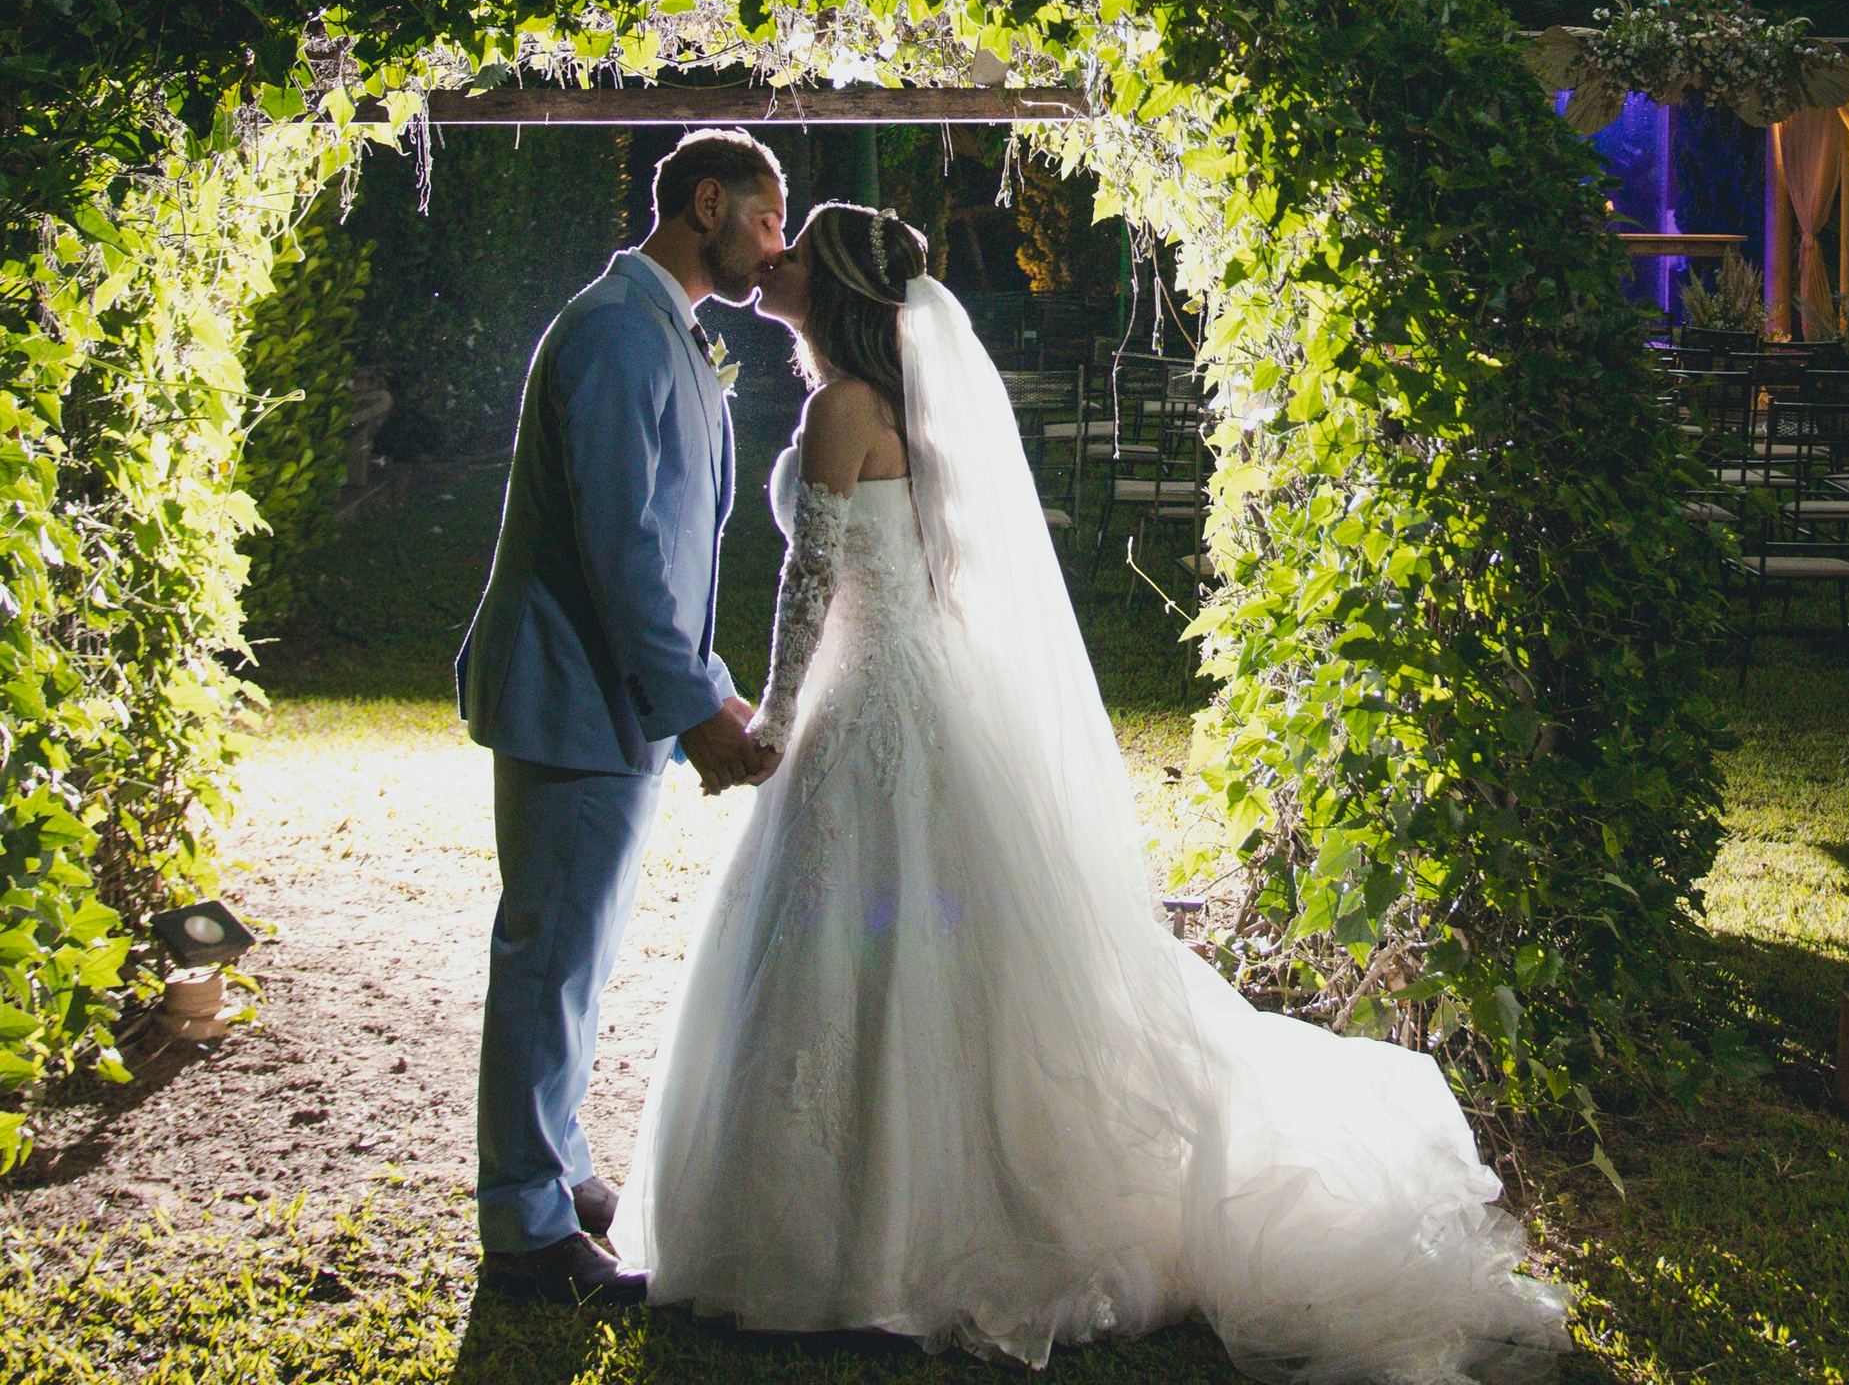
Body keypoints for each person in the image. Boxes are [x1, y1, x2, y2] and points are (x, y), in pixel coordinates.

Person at [614, 201, 1565, 1381]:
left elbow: (809, 588)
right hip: (930, 702)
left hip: (864, 715)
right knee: (953, 966)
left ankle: (856, 1232)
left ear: (839, 287)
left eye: (798, 248)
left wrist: (772, 722)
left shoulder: (834, 411)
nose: (779, 259)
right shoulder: (914, 411)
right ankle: (929, 1194)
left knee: (847, 953)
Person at [458, 128, 789, 1302]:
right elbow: (621, 540)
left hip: (608, 701)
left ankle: (557, 1165)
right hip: (570, 692)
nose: (776, 242)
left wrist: (695, 687)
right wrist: (696, 699)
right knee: (549, 953)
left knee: (580, 950)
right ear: (708, 202)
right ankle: (527, 1226)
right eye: (764, 218)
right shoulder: (613, 330)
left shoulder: (660, 327)